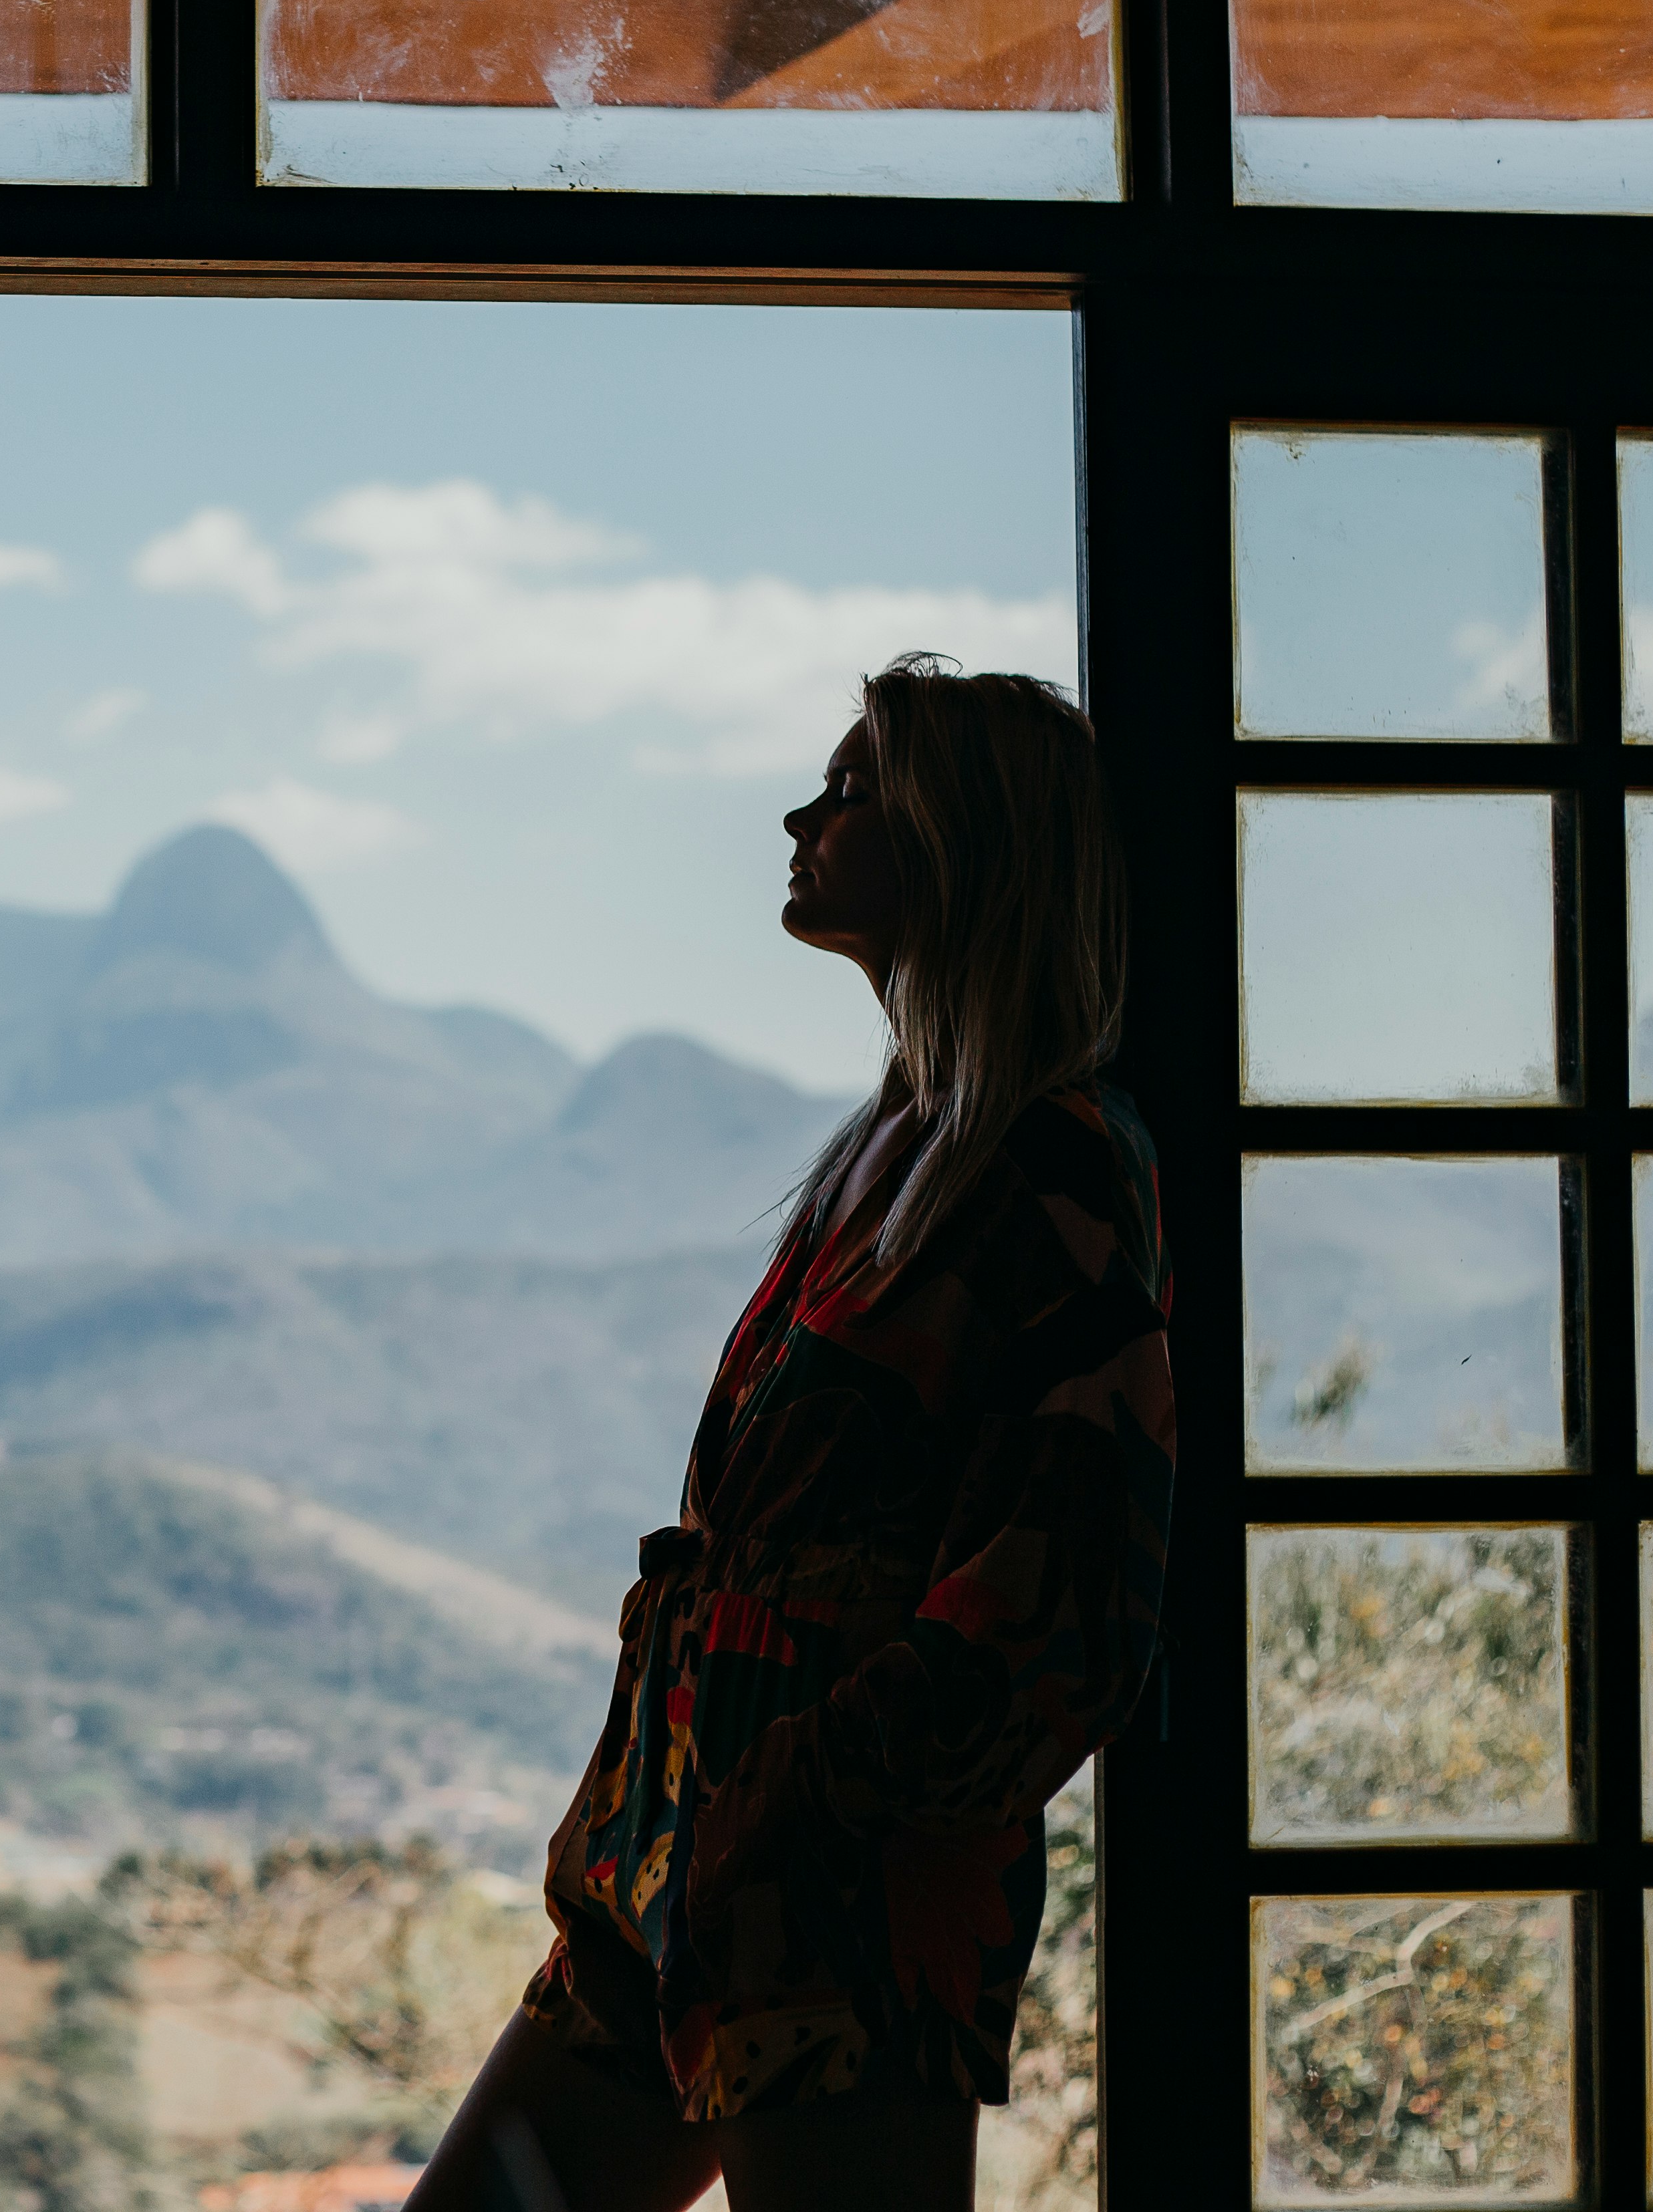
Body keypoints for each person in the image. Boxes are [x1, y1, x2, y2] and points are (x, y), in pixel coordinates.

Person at [408, 656, 1175, 2212]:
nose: (803, 817)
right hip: (679, 1873)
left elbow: (1070, 1578)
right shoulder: (892, 1158)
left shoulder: (1054, 1171)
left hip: (843, 1903)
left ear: (960, 847)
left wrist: (819, 1785)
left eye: (852, 791)